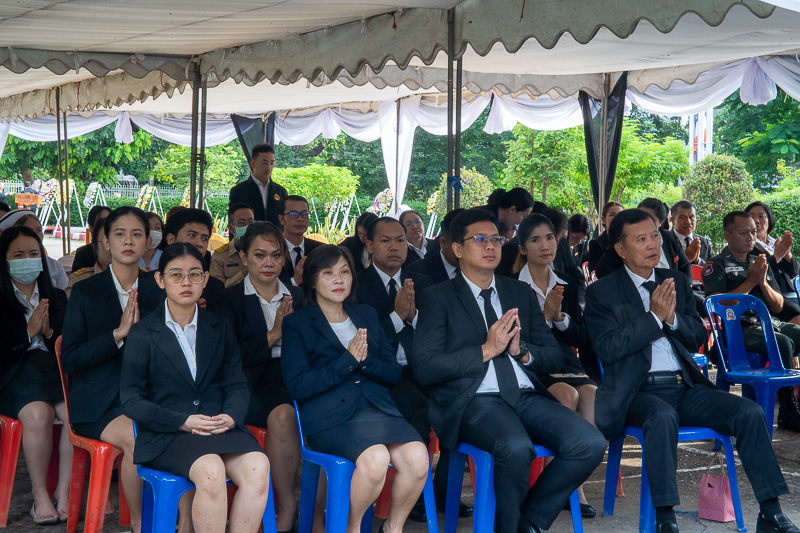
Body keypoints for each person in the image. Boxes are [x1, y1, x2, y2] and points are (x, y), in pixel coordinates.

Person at [584, 208, 798, 533]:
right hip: (638, 392)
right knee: (661, 417)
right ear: (621, 249)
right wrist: (654, 317)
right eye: (640, 239)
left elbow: (698, 336)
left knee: (750, 412)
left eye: (655, 235)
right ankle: (666, 519)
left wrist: (671, 320)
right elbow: (609, 348)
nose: (652, 244)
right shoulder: (602, 292)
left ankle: (770, 512)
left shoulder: (677, 282)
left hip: (685, 387)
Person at [412, 208, 606, 533]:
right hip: (473, 400)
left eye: (496, 239)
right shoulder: (438, 298)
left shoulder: (518, 292)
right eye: (480, 239)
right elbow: (425, 366)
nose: (491, 246)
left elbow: (552, 356)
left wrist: (523, 352)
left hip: (525, 395)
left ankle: (524, 523)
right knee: (516, 448)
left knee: (590, 442)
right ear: (457, 248)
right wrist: (486, 350)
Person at [121, 243, 270, 533]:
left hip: (219, 426)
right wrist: (182, 421)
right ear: (160, 280)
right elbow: (131, 401)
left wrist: (231, 416)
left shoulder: (220, 326)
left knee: (258, 467)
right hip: (169, 433)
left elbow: (237, 384)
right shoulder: (143, 333)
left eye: (195, 274)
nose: (186, 282)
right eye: (176, 275)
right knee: (211, 471)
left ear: (205, 279)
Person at [282, 245, 429, 533]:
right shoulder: (297, 323)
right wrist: (347, 362)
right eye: (328, 273)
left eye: (345, 272)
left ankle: (392, 528)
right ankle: (352, 527)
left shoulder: (366, 314)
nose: (338, 280)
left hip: (378, 409)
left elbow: (391, 372)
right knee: (376, 459)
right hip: (330, 416)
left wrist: (363, 362)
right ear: (312, 280)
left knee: (418, 458)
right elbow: (298, 385)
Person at [356, 218, 469, 520]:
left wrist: (414, 315)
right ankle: (413, 496)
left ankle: (443, 490)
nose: (394, 247)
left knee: (464, 402)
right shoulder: (356, 284)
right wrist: (396, 317)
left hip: (425, 369)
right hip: (382, 374)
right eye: (385, 241)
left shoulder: (424, 281)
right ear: (368, 243)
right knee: (419, 407)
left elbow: (440, 332)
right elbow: (361, 341)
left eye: (400, 241)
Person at [61, 206, 161, 533]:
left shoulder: (160, 289)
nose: (128, 241)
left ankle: (182, 520)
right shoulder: (86, 292)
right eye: (119, 234)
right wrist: (117, 335)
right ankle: (139, 525)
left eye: (136, 234)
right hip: (100, 402)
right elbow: (71, 359)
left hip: (148, 394)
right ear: (105, 241)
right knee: (137, 434)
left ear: (148, 242)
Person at [217, 222, 302, 532]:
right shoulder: (229, 300)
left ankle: (319, 511)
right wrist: (275, 333)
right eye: (260, 255)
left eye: (276, 256)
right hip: (251, 382)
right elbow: (230, 357)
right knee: (282, 415)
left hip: (298, 375)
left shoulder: (299, 295)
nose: (269, 263)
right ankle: (288, 505)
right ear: (244, 258)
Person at [512, 213, 598, 517]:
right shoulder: (512, 286)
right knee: (567, 396)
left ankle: (571, 481)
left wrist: (559, 318)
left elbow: (582, 336)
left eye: (549, 237)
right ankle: (562, 489)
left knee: (590, 394)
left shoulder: (566, 283)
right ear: (522, 247)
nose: (545, 245)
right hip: (531, 363)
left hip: (565, 359)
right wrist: (544, 317)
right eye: (535, 240)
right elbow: (515, 339)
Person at [702, 211, 800, 431]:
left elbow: (778, 306)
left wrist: (763, 283)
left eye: (754, 232)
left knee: (793, 335)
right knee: (782, 343)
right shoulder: (716, 264)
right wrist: (750, 282)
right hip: (737, 328)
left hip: (769, 322)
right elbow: (715, 304)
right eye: (744, 233)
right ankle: (787, 410)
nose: (751, 237)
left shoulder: (759, 261)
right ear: (728, 236)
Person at [0, 226, 72, 524]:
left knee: (73, 414)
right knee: (38, 415)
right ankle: (40, 495)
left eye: (33, 254)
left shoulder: (55, 296)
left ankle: (65, 492)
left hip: (52, 369)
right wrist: (27, 333)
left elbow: (70, 340)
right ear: (5, 260)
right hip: (13, 373)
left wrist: (50, 331)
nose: (27, 260)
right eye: (18, 255)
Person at [594, 198, 691, 281]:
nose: (643, 222)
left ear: (660, 222)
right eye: (641, 239)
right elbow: (603, 270)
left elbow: (685, 265)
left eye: (650, 219)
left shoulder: (670, 238)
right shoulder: (624, 242)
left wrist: (685, 287)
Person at [151, 208, 225, 311]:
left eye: (204, 238)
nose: (199, 243)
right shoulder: (148, 284)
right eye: (192, 235)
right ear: (171, 239)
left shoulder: (215, 287)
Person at [745, 201, 800, 325]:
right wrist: (776, 256)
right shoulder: (747, 246)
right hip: (772, 294)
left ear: (769, 219)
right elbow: (758, 272)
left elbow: (796, 273)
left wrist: (787, 255)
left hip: (792, 292)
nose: (757, 221)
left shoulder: (775, 242)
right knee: (796, 312)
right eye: (752, 217)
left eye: (761, 216)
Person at [228, 144, 288, 227]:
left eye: (272, 163)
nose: (269, 167)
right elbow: (232, 223)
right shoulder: (238, 191)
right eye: (264, 163)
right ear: (253, 163)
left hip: (275, 238)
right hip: (249, 238)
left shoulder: (281, 191)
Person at [9, 212, 69, 290]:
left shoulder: (54, 266)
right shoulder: (11, 263)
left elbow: (66, 294)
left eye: (39, 230)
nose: (36, 235)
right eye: (29, 231)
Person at [405, 208, 463, 285]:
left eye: (418, 221)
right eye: (459, 243)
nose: (415, 226)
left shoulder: (480, 268)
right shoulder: (415, 274)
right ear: (443, 243)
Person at [278, 195, 322, 285]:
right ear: (281, 219)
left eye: (305, 214)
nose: (300, 219)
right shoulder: (273, 250)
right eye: (293, 214)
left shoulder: (319, 250)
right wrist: (294, 281)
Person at [66, 217, 112, 298]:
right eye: (107, 241)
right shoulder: (79, 281)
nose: (112, 247)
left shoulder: (139, 278)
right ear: (94, 245)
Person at [210, 203, 255, 285]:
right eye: (241, 223)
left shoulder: (264, 251)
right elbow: (218, 290)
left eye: (251, 222)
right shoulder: (220, 256)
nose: (247, 226)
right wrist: (244, 272)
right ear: (231, 228)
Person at [670, 200, 713, 265]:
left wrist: (698, 261)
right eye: (682, 217)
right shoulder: (666, 242)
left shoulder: (703, 242)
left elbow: (715, 268)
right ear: (672, 220)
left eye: (691, 217)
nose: (688, 221)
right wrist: (686, 259)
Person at [72, 205, 111, 272]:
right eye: (101, 222)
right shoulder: (83, 253)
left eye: (109, 220)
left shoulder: (121, 250)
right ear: (91, 227)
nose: (107, 225)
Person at [587, 201, 623, 273]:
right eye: (612, 215)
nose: (616, 218)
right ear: (603, 219)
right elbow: (595, 272)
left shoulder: (628, 241)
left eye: (620, 215)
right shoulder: (596, 244)